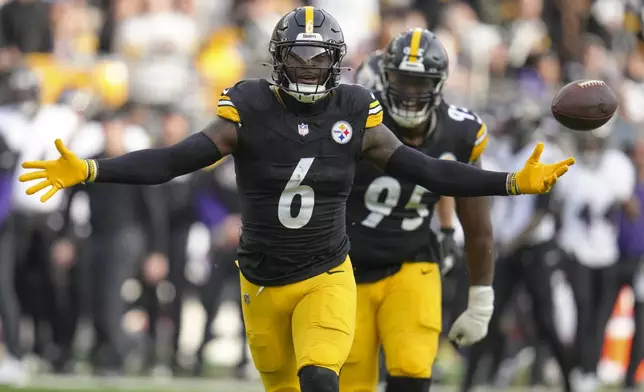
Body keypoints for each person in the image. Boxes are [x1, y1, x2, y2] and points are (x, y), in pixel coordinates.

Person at [18, 7, 574, 392]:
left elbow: (426, 170)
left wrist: (508, 182)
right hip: (260, 278)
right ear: (277, 59)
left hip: (328, 274)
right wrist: (92, 169)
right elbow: (172, 160)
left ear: (336, 62)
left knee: (321, 379)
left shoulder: (356, 110)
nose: (308, 68)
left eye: (318, 58)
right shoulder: (249, 107)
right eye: (298, 57)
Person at [340, 28, 494, 392]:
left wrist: (481, 299)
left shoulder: (460, 131)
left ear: (439, 83)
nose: (409, 92)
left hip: (412, 259)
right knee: (349, 381)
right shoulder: (356, 120)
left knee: (412, 368)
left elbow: (477, 222)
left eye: (419, 82)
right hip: (345, 266)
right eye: (401, 80)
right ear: (384, 78)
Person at [556, 127, 635, 392]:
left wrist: (623, 196)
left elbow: (631, 210)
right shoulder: (570, 169)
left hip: (607, 253)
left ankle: (588, 368)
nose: (589, 145)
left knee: (599, 317)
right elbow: (556, 207)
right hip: (576, 251)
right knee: (582, 311)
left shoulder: (616, 167)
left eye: (594, 141)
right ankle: (579, 369)